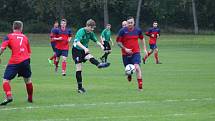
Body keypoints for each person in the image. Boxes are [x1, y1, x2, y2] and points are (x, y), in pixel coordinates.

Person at [72, 19, 110, 93]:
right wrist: (85, 48)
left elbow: (95, 40)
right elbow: (77, 42)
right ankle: (80, 88)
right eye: (91, 28)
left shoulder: (90, 33)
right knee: (79, 68)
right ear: (88, 26)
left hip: (83, 50)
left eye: (93, 28)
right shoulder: (81, 31)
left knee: (89, 56)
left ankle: (99, 64)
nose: (92, 29)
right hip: (76, 51)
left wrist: (101, 46)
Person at [0, 21, 33, 105]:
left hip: (14, 61)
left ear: (13, 27)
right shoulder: (25, 37)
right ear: (21, 28)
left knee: (6, 80)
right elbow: (29, 52)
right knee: (28, 80)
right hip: (25, 60)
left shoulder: (9, 36)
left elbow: (2, 48)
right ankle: (30, 98)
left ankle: (9, 96)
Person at [116, 17, 147, 90]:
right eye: (128, 23)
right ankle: (129, 74)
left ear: (134, 23)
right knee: (128, 69)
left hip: (136, 52)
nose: (130, 24)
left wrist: (144, 49)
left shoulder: (138, 30)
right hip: (125, 54)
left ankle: (140, 87)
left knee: (137, 67)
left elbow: (142, 38)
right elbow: (118, 42)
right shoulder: (122, 31)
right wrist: (125, 49)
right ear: (126, 23)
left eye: (131, 22)